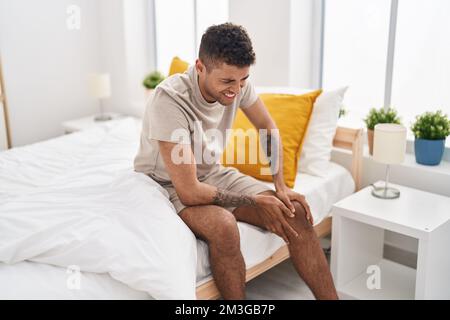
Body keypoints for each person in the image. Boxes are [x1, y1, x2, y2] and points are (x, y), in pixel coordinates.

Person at [134, 23, 338, 300]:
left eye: (242, 80)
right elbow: (190, 191)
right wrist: (254, 201)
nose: (236, 90)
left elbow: (268, 127)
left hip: (210, 173)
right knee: (224, 227)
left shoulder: (238, 84)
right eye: (228, 81)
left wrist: (279, 186)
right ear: (200, 67)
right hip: (167, 183)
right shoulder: (169, 100)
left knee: (295, 212)